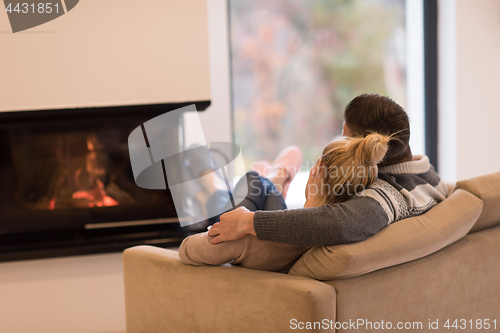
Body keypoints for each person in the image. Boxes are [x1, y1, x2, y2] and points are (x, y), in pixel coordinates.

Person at [206, 93, 449, 247]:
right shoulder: (430, 176)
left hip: (279, 257)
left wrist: (248, 222)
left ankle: (274, 176)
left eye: (344, 137)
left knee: (246, 184)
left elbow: (340, 224)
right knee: (255, 184)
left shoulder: (388, 196)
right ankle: (275, 177)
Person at [179, 133, 393, 272]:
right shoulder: (345, 229)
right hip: (281, 249)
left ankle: (212, 187)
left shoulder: (248, 241)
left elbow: (186, 249)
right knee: (257, 182)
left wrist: (235, 223)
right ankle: (272, 180)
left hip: (250, 248)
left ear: (316, 170)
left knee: (251, 180)